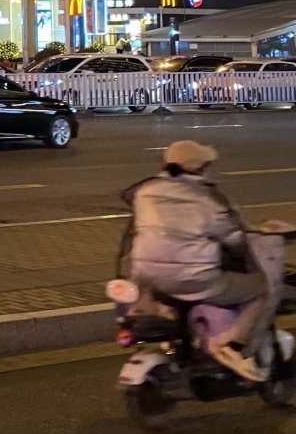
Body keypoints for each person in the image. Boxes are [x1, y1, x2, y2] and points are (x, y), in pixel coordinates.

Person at [120, 140, 290, 381]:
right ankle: (231, 345)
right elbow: (235, 238)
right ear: (201, 168)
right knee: (262, 288)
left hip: (145, 275)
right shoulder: (205, 197)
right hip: (193, 279)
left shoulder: (145, 191)